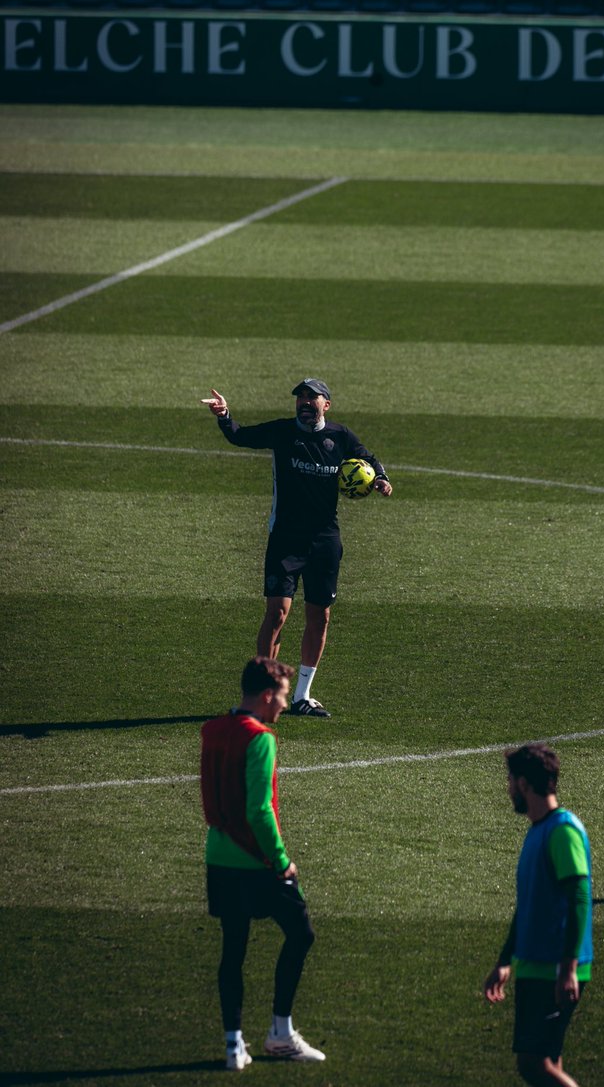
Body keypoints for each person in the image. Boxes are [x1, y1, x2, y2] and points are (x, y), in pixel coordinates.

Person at [201, 378, 392, 719]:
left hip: (325, 541)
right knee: (277, 613)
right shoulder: (282, 432)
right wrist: (224, 414)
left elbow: (369, 458)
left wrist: (380, 479)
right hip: (286, 539)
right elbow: (239, 436)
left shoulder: (340, 436)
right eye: (300, 398)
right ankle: (262, 695)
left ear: (326, 405)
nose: (304, 402)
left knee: (320, 615)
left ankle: (302, 695)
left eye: (311, 397)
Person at [201, 657, 325, 1070]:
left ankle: (234, 1043)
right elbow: (259, 810)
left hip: (218, 856)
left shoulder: (213, 730)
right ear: (267, 695)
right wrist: (281, 860)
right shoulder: (261, 738)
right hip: (255, 859)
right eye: (284, 697)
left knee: (232, 949)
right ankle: (280, 1033)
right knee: (302, 932)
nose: (285, 706)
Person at [483, 743, 592, 1087]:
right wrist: (505, 960)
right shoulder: (538, 831)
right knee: (549, 1060)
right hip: (537, 965)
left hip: (553, 969)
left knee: (532, 1064)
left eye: (511, 780)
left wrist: (568, 967)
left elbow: (579, 896)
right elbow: (529, 904)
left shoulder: (562, 830)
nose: (509, 788)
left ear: (525, 784)